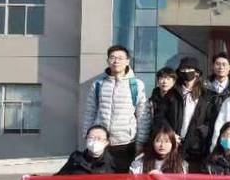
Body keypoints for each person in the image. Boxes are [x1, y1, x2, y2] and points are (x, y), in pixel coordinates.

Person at [82, 44, 151, 173]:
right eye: (112, 58)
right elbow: (90, 112)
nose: (116, 61)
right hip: (101, 143)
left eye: (120, 58)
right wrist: (87, 136)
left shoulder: (136, 85)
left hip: (126, 144)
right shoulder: (98, 84)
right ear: (108, 61)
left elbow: (143, 116)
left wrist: (141, 142)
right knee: (100, 179)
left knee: (123, 179)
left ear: (127, 61)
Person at [154, 57, 214, 173]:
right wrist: (170, 134)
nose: (186, 72)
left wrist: (199, 134)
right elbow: (160, 116)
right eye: (183, 70)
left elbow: (211, 121)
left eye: (189, 69)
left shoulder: (207, 96)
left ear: (197, 73)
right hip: (174, 147)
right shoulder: (172, 94)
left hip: (196, 149)